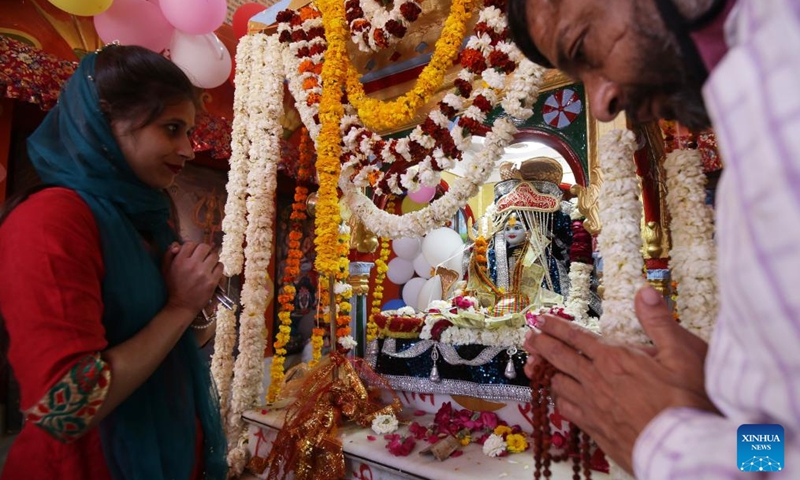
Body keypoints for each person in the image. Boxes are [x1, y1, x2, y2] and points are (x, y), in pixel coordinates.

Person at [508, 0, 799, 478]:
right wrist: (718, 395)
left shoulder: (779, 87)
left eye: (583, 45)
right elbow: (778, 442)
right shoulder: (752, 104)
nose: (600, 101)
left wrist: (665, 440)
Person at [0, 45, 227, 479]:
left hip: (167, 452)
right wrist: (179, 306)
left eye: (190, 131)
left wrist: (199, 303)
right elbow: (62, 407)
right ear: (104, 124)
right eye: (172, 128)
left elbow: (168, 347)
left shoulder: (144, 219)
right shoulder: (51, 221)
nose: (188, 149)